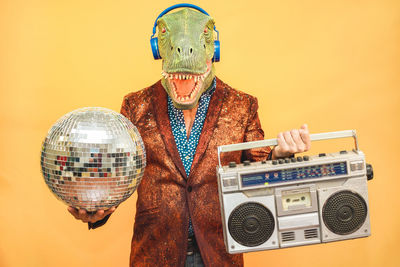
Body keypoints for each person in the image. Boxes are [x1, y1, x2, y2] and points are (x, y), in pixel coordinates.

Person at [68, 5, 311, 267]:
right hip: (155, 253)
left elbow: (256, 170)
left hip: (218, 254)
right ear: (158, 48)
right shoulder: (135, 105)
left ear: (213, 49)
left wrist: (280, 153)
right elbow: (116, 176)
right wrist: (95, 210)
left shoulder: (243, 105)